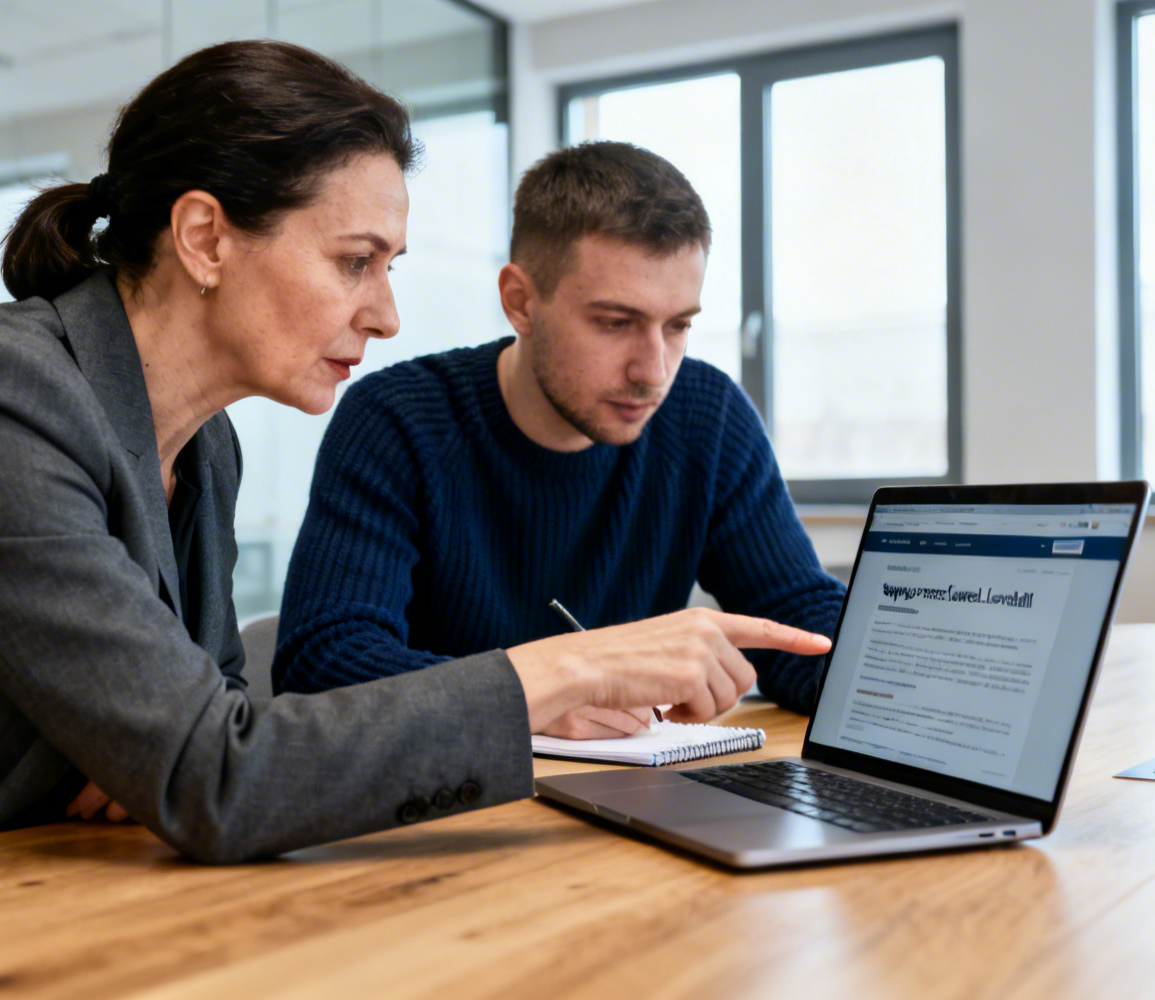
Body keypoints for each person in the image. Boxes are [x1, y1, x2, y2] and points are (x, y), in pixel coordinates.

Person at [0, 43, 831, 876]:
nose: (386, 312)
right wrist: (571, 667)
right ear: (205, 238)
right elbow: (224, 769)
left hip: (37, 882)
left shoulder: (200, 440)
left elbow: (218, 726)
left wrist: (171, 759)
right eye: (354, 262)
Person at [274, 141, 847, 737]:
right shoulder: (398, 422)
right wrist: (544, 691)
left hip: (638, 794)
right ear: (520, 302)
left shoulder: (708, 416)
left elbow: (801, 623)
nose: (653, 370)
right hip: (459, 808)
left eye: (678, 326)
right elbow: (323, 667)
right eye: (615, 323)